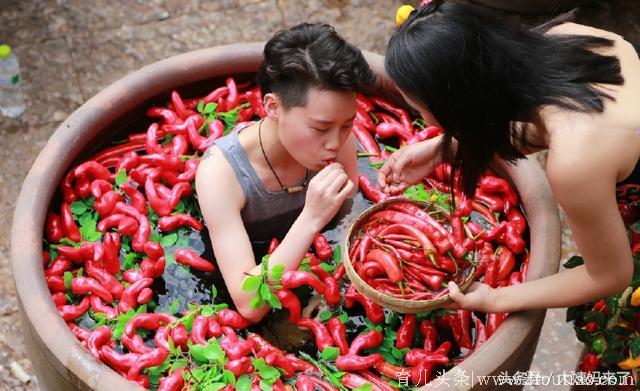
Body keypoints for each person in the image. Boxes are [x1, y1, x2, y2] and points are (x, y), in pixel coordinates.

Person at [378, 0, 640, 313]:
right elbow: (549, 125)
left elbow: (610, 275)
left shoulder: (575, 164)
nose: (425, 119)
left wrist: (496, 298)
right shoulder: (562, 36)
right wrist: (443, 150)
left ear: (459, 106)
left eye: (421, 110)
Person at [196, 23, 375, 323]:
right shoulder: (220, 174)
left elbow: (348, 216)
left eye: (347, 124)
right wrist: (311, 217)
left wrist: (336, 281)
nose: (337, 142)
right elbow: (250, 305)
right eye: (320, 128)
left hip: (305, 259)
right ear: (272, 106)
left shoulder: (337, 142)